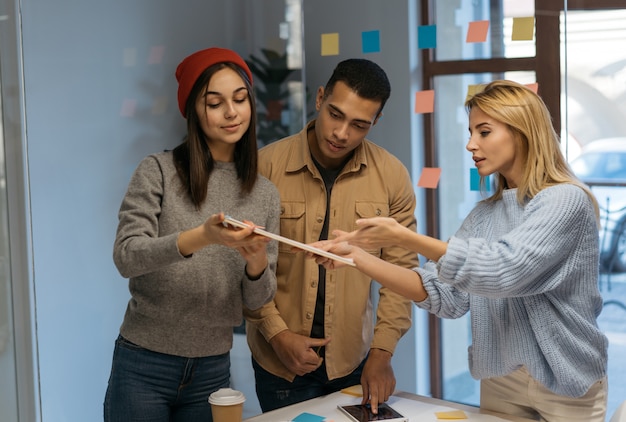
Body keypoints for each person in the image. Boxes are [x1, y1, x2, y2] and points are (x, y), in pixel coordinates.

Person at [311, 80, 609, 422]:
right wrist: (357, 259)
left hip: (568, 380)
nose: (471, 144)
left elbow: (503, 271)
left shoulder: (565, 200)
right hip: (502, 378)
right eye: (471, 132)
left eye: (484, 132)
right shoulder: (485, 215)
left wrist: (404, 238)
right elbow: (443, 294)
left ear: (522, 131)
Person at [104, 47, 280, 422]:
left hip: (212, 371)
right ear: (194, 112)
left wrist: (256, 262)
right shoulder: (158, 171)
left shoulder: (264, 192)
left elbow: (259, 300)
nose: (231, 113)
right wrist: (201, 236)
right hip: (143, 364)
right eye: (215, 103)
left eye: (240, 99)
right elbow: (127, 256)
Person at [244, 58, 418, 414]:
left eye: (359, 124)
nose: (342, 133)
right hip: (280, 364)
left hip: (355, 360)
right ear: (320, 98)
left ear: (376, 122)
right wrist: (278, 335)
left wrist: (382, 353)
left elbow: (402, 273)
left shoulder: (392, 176)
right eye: (335, 114)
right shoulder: (265, 168)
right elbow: (245, 266)